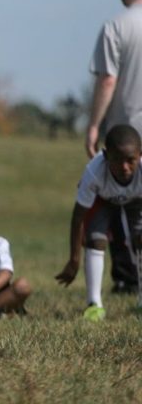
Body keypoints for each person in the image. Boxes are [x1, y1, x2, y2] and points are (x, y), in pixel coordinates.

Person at [85, 0, 142, 293]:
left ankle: (127, 278)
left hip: (127, 130)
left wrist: (94, 125)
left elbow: (108, 79)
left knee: (120, 203)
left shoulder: (116, 26)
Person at [56, 124, 142, 320]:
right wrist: (74, 259)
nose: (124, 167)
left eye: (131, 160)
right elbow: (78, 216)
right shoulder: (94, 172)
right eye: (117, 160)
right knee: (96, 240)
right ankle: (94, 304)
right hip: (103, 201)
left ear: (140, 155)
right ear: (105, 155)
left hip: (137, 201)